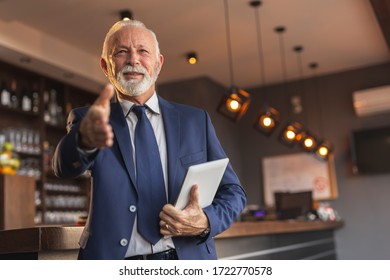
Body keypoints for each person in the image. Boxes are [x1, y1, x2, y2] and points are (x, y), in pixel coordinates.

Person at [52, 19, 246, 260]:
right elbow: (63, 167)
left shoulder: (195, 120)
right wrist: (84, 141)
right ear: (105, 66)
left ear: (158, 63)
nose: (133, 59)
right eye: (121, 52)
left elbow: (233, 192)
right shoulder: (89, 120)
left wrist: (206, 221)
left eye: (143, 51)